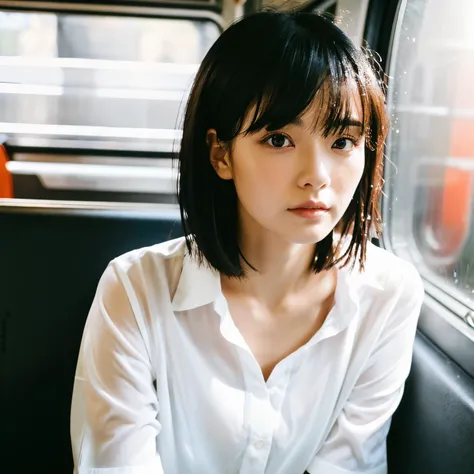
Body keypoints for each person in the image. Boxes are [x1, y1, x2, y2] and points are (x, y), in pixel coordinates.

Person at [70, 10, 424, 474]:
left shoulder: (389, 293)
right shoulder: (134, 291)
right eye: (278, 139)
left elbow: (348, 466)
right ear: (221, 154)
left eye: (342, 142)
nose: (317, 176)